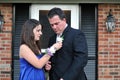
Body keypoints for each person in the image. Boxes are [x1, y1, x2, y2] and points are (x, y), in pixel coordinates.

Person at [45, 7, 88, 80]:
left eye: (56, 23)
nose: (54, 27)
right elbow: (50, 59)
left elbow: (81, 60)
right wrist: (46, 66)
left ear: (64, 20)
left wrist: (65, 78)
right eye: (52, 25)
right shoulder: (51, 39)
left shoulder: (77, 34)